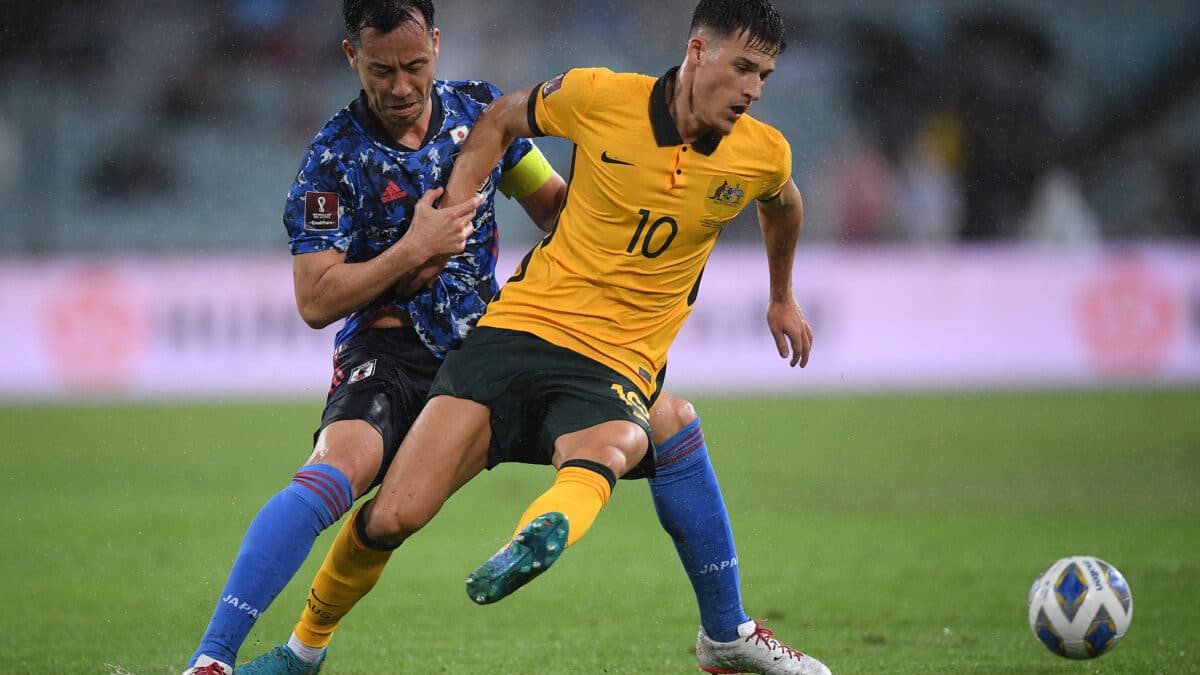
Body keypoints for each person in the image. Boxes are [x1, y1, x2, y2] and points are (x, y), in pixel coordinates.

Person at [185, 2, 824, 674]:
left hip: (501, 332)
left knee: (670, 424)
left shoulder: (473, 110)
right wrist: (413, 251)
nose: (402, 86)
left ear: (435, 45)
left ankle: (727, 630)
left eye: (415, 66)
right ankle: (223, 657)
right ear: (352, 58)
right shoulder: (333, 160)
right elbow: (315, 300)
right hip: (395, 356)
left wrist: (616, 244)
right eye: (382, 70)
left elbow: (548, 199)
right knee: (352, 486)